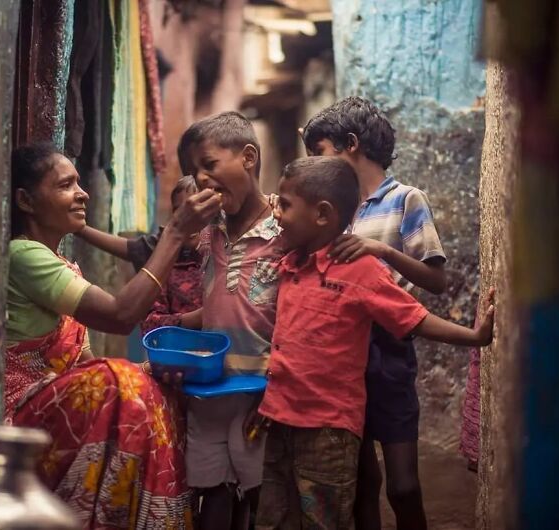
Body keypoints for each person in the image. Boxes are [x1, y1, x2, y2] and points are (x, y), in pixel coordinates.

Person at [254, 157, 494, 529]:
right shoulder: (291, 263)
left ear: (322, 214)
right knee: (272, 518)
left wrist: (476, 338)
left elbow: (414, 317)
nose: (277, 214)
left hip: (328, 431)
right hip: (279, 420)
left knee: (323, 520)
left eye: (284, 205)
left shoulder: (361, 270)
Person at [5, 143, 220, 529]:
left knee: (154, 387)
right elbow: (122, 316)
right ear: (25, 200)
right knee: (116, 382)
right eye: (66, 185)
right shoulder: (23, 254)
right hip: (21, 413)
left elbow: (83, 366)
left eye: (79, 183)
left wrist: (151, 368)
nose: (82, 193)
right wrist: (173, 234)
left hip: (59, 405)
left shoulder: (63, 265)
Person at [303, 96, 446, 530]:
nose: (316, 167)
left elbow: (435, 280)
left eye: (320, 154)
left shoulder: (405, 199)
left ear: (350, 144)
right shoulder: (331, 210)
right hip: (342, 354)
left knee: (403, 486)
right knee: (362, 480)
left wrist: (381, 249)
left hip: (390, 350)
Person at [178, 111, 284, 530]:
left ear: (249, 157)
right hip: (208, 390)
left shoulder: (286, 230)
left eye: (208, 164)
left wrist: (280, 387)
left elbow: (298, 317)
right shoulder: (207, 231)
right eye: (193, 172)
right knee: (211, 498)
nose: (201, 179)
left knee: (262, 499)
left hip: (263, 392)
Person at [77, 175, 204, 333]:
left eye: (198, 210)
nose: (190, 219)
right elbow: (150, 324)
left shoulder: (224, 253)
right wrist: (79, 229)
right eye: (182, 211)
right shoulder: (163, 253)